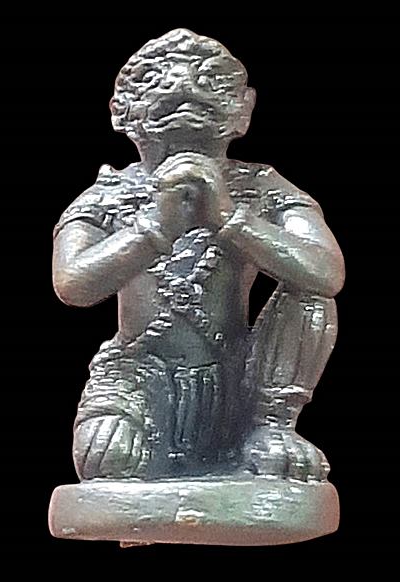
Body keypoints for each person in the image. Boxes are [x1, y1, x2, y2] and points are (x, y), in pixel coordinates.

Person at [53, 29, 344, 482]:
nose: (183, 84)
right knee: (107, 457)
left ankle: (272, 424)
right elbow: (73, 283)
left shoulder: (260, 187)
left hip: (241, 380)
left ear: (243, 109)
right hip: (139, 376)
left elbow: (326, 271)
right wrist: (157, 226)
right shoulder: (109, 195)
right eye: (155, 79)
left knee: (310, 295)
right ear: (119, 111)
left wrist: (229, 217)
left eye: (209, 79)